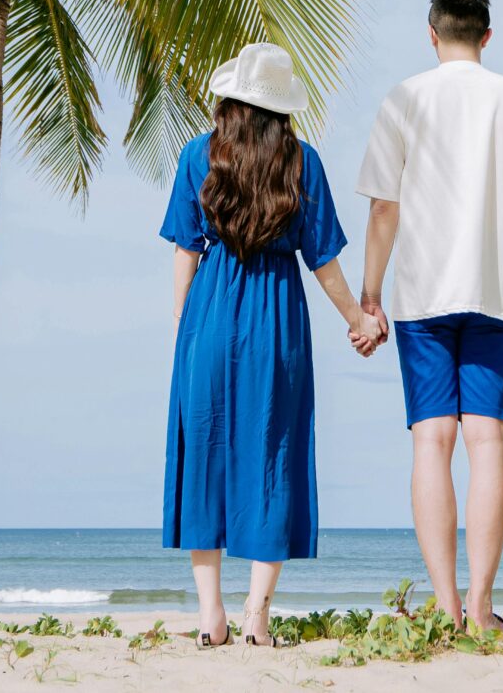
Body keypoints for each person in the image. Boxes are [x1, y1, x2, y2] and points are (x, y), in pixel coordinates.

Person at [162, 43, 384, 648]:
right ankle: (257, 613)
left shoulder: (195, 155)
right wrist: (357, 320)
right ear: (281, 109)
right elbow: (324, 260)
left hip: (209, 309)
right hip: (276, 314)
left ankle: (212, 616)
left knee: (204, 451)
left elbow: (185, 248)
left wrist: (184, 321)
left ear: (229, 101)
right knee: (273, 450)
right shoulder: (302, 162)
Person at [356, 0, 503, 632]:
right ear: (487, 36)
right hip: (495, 292)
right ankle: (480, 608)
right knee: (487, 441)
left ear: (432, 33)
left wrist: (370, 292)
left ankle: (444, 606)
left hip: (422, 294)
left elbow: (384, 207)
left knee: (431, 442)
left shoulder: (404, 97)